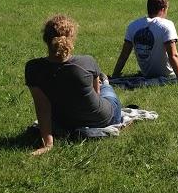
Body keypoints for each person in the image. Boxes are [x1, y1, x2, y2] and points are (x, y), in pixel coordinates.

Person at [25, 15, 123, 156]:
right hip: (102, 118)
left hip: (64, 120)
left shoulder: (33, 68)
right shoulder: (86, 62)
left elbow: (42, 108)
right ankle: (105, 80)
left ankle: (103, 80)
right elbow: (97, 95)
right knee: (106, 89)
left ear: (45, 39)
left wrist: (48, 144)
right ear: (71, 38)